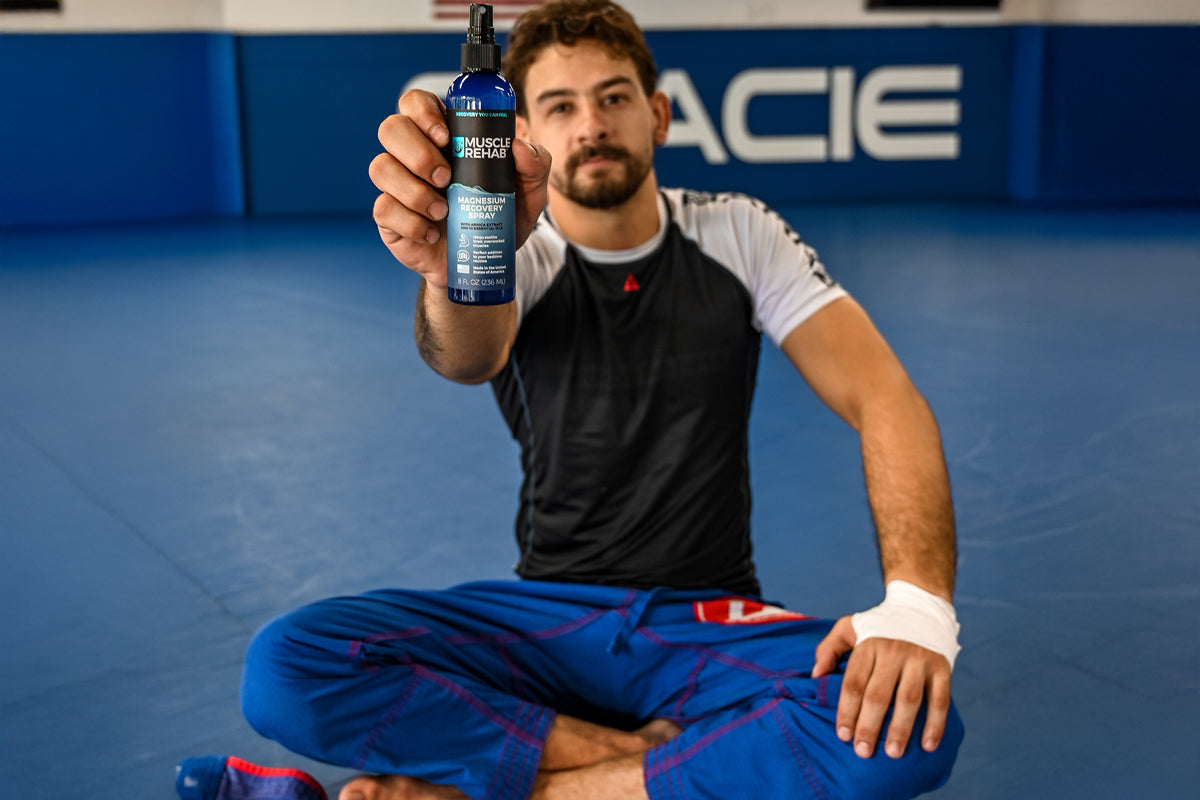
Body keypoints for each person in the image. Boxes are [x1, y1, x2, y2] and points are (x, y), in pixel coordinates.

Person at [235, 2, 964, 799]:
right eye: (560, 106)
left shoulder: (740, 233)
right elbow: (466, 356)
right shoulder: (514, 253)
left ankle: (519, 782)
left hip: (705, 623)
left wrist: (918, 607)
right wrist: (450, 274)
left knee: (908, 733)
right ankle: (653, 759)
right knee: (286, 667)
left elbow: (883, 394)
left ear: (659, 114)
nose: (591, 125)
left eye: (613, 97)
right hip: (549, 624)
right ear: (524, 136)